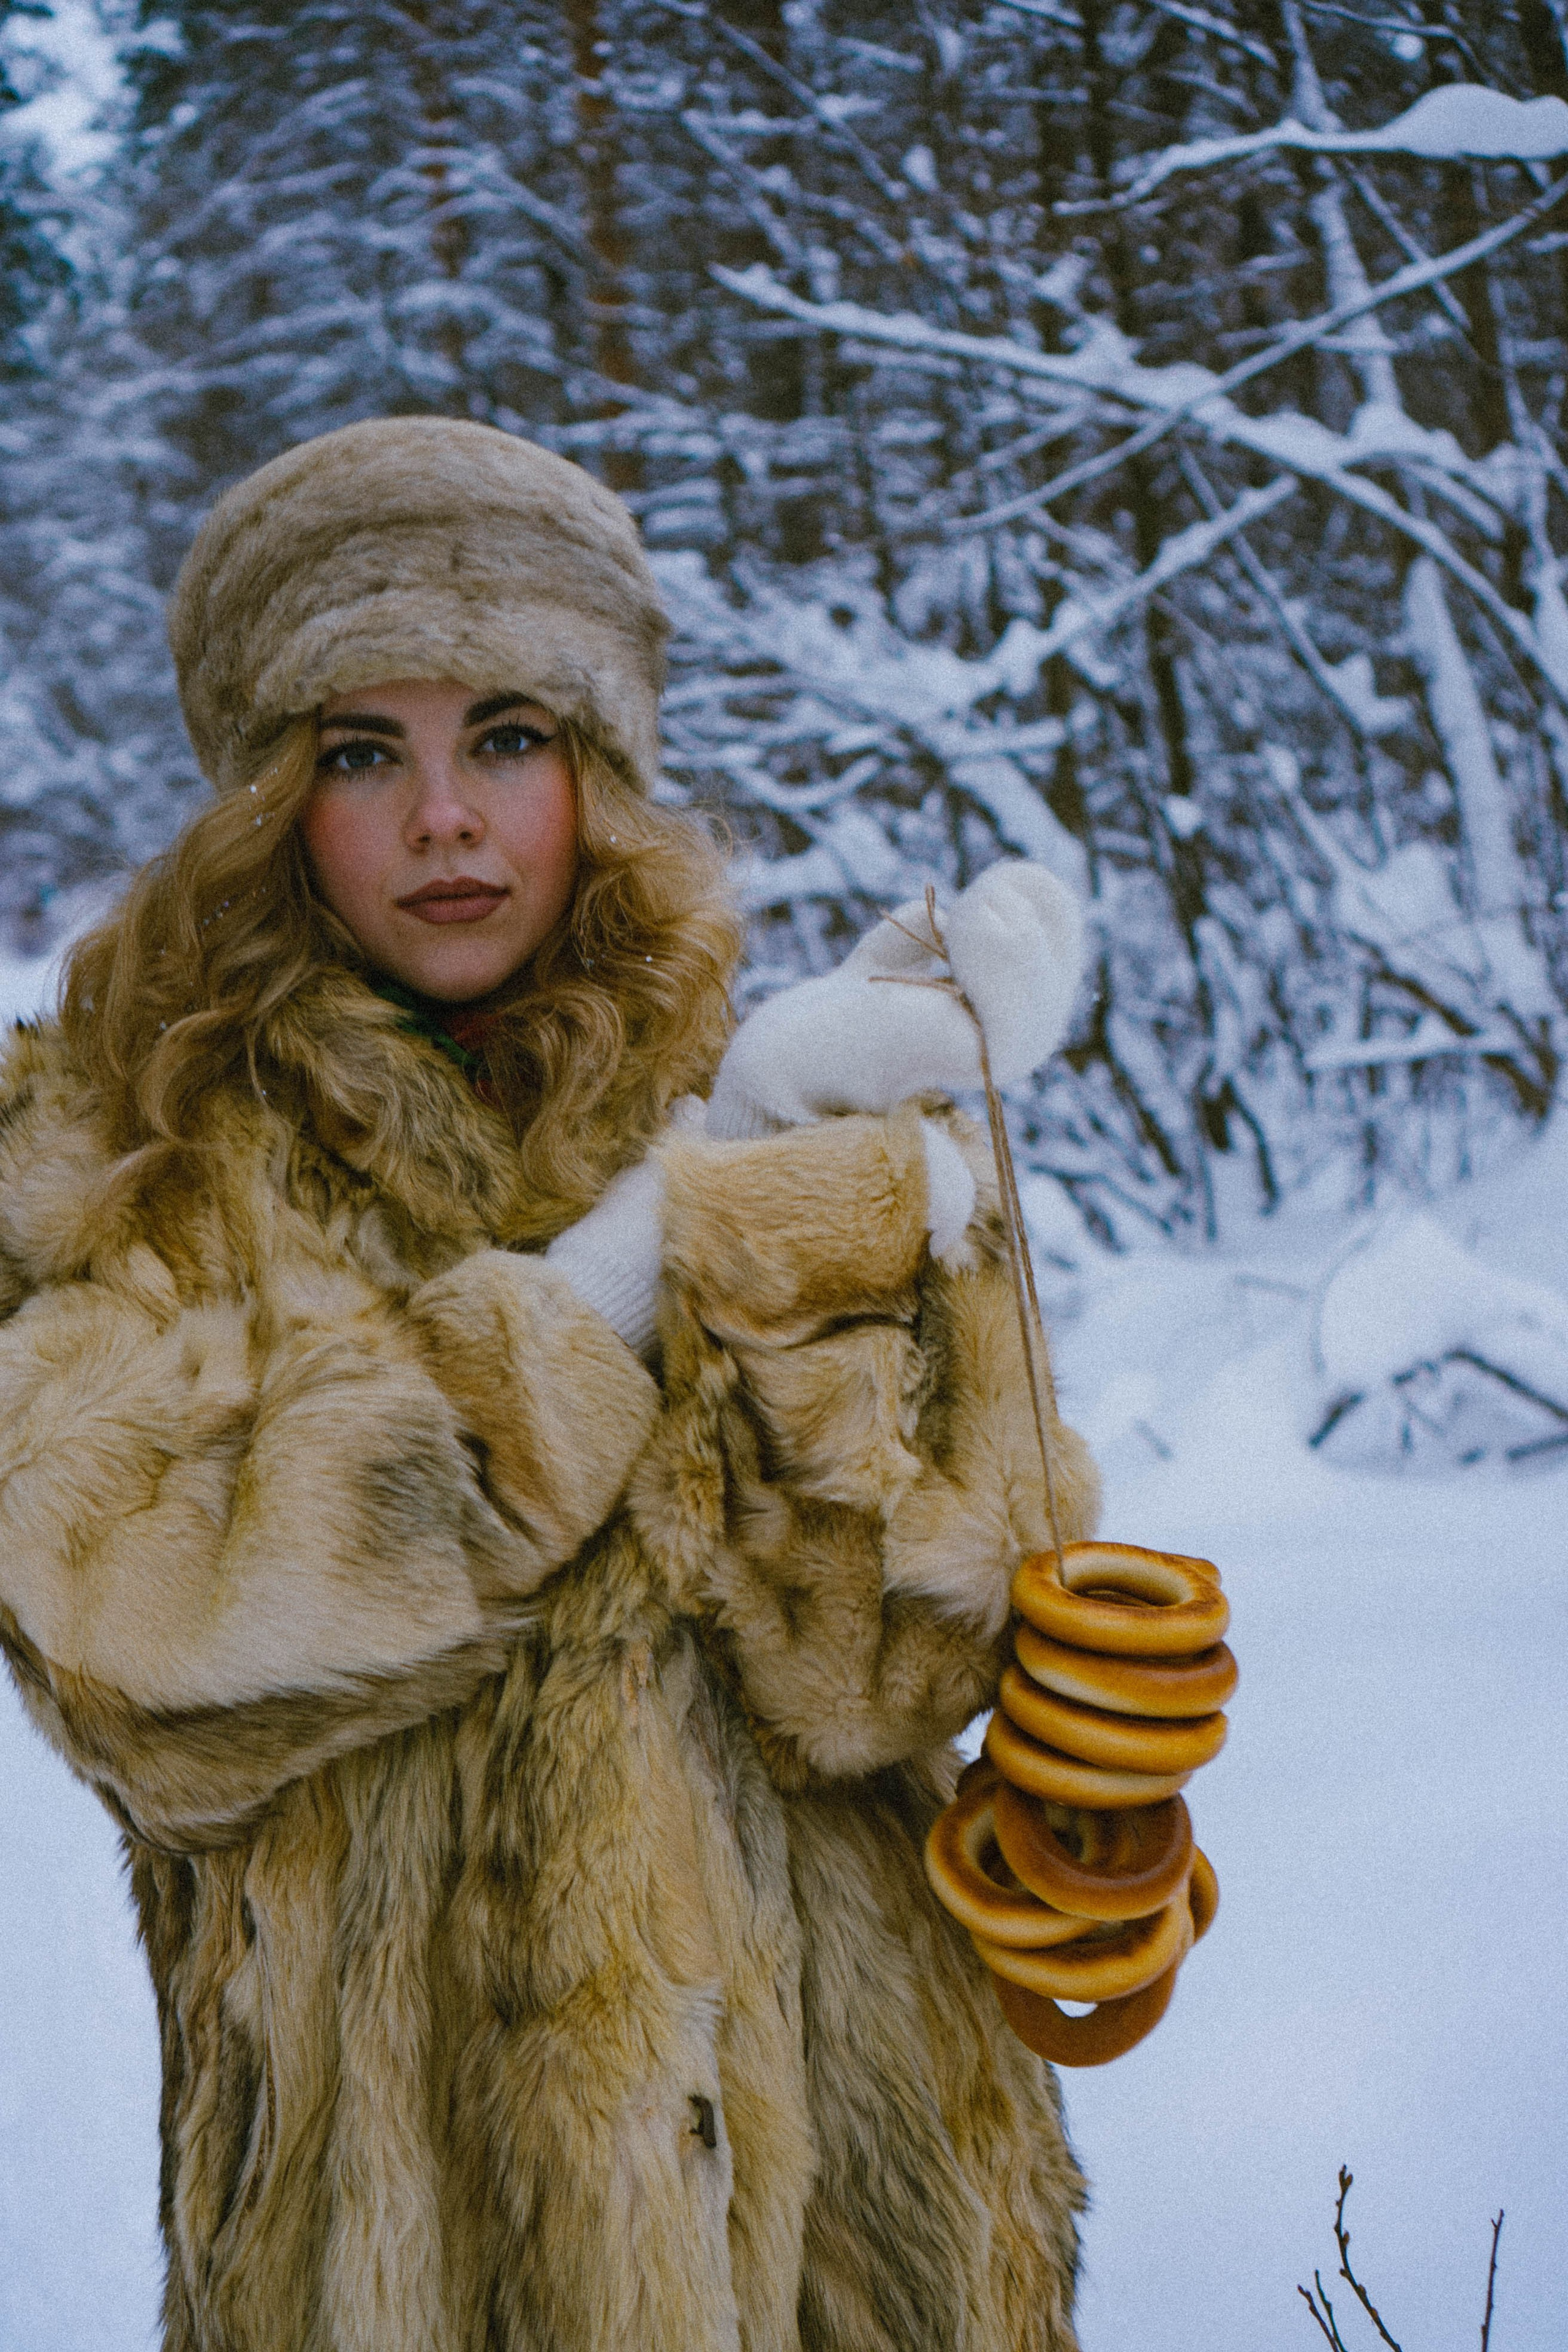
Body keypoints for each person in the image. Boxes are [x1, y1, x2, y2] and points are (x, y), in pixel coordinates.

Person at [0, 417, 1100, 2352]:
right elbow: (135, 1639)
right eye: (366, 752)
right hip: (395, 2275)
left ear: (596, 770)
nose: (446, 817)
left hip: (844, 2240)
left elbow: (890, 1675)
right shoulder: (132, 1158)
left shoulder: (733, 1094)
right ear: (274, 794)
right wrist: (632, 1272)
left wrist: (840, 1213)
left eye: (507, 736)